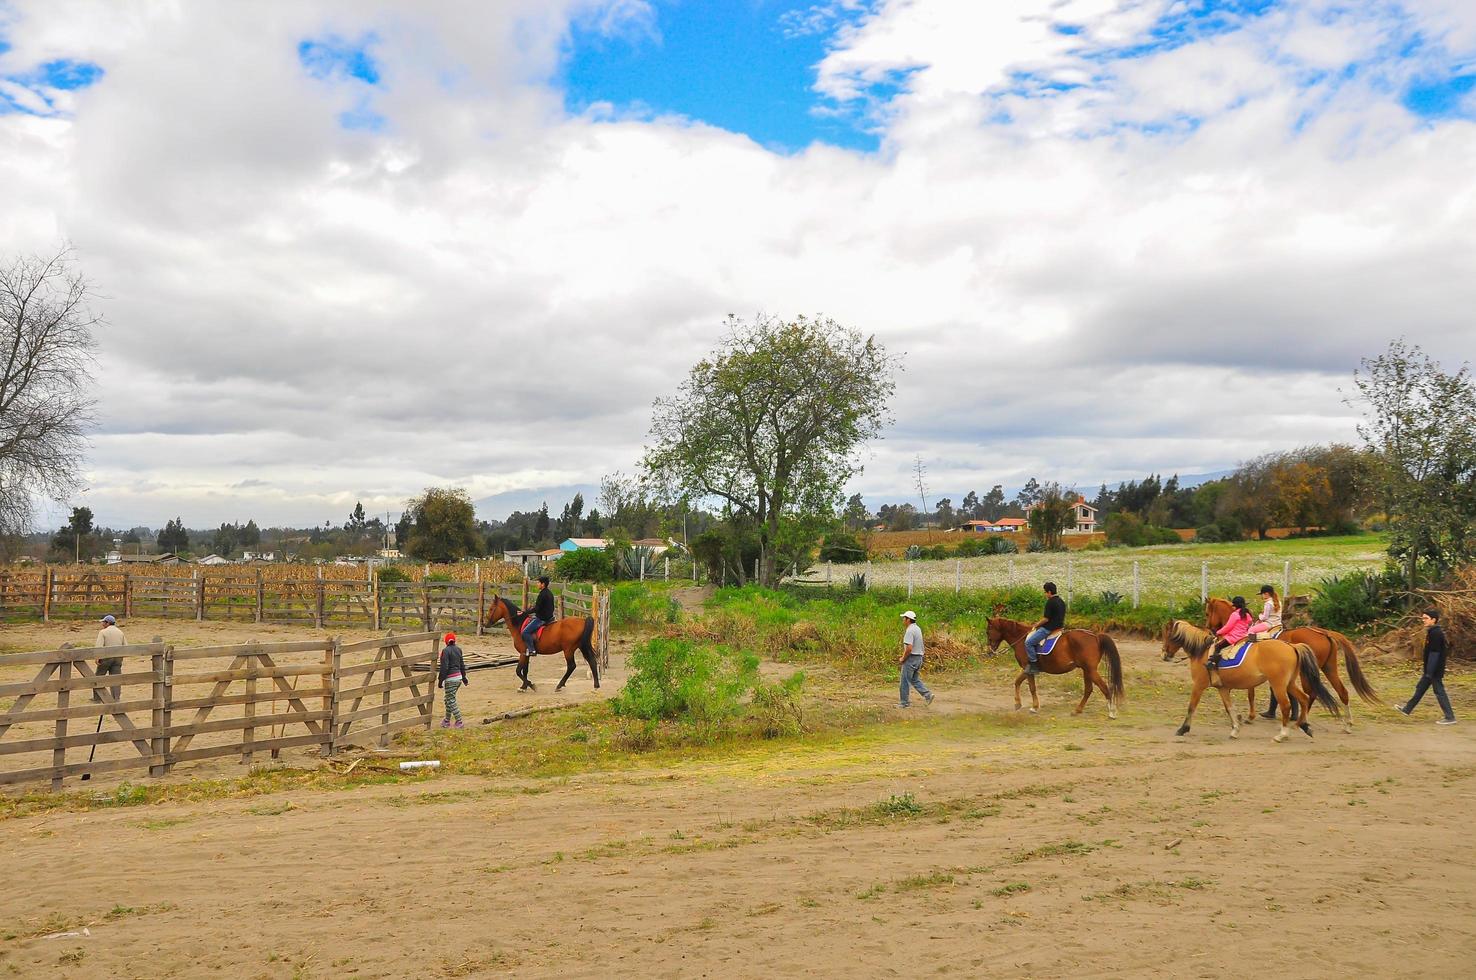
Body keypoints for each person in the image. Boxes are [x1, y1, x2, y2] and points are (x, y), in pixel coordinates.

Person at [1397, 609, 1456, 725]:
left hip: (1434, 671)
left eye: (1425, 618)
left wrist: (1429, 672)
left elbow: (1435, 653)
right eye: (1422, 618)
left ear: (1433, 620)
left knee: (1439, 691)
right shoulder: (1432, 632)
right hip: (1430, 670)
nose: (1423, 620)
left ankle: (1450, 717)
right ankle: (1407, 709)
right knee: (1420, 689)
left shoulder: (1436, 633)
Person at [1207, 596, 1253, 687]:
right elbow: (1250, 622)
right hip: (1243, 637)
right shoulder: (1247, 614)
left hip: (1233, 638)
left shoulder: (1234, 615)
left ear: (1235, 605)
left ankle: (1213, 664)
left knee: (1217, 646)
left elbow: (1228, 627)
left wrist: (1218, 632)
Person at [1024, 582, 1066, 676]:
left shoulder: (1050, 602)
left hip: (1049, 629)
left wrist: (1036, 625)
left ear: (1049, 592)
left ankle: (1034, 664)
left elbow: (1046, 619)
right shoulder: (1061, 601)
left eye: (1045, 592)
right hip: (1059, 628)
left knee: (1029, 643)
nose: (1045, 594)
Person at [897, 610, 933, 708]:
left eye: (904, 618)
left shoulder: (909, 631)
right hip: (919, 658)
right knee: (914, 679)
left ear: (908, 619)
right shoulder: (917, 628)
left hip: (911, 658)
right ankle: (928, 695)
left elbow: (909, 648)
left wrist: (903, 658)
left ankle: (904, 703)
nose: (903, 620)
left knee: (904, 681)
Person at [438, 632, 469, 729]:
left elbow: (444, 667)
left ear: (446, 641)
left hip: (450, 679)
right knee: (448, 699)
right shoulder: (459, 650)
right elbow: (462, 665)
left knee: (450, 700)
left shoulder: (445, 651)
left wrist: (440, 680)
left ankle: (459, 720)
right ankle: (446, 720)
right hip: (458, 678)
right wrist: (464, 678)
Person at [94, 613, 126, 704]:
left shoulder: (103, 632)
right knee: (115, 678)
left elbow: (99, 646)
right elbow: (126, 646)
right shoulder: (120, 632)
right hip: (117, 658)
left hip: (106, 657)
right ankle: (116, 698)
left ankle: (98, 697)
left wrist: (97, 657)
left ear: (107, 623)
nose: (102, 624)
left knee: (99, 676)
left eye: (103, 622)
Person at [522, 575, 556, 653]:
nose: (537, 584)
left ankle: (532, 650)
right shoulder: (549, 593)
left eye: (538, 582)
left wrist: (525, 612)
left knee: (525, 632)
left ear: (543, 584)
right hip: (549, 617)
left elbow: (537, 608)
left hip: (542, 619)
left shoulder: (542, 594)